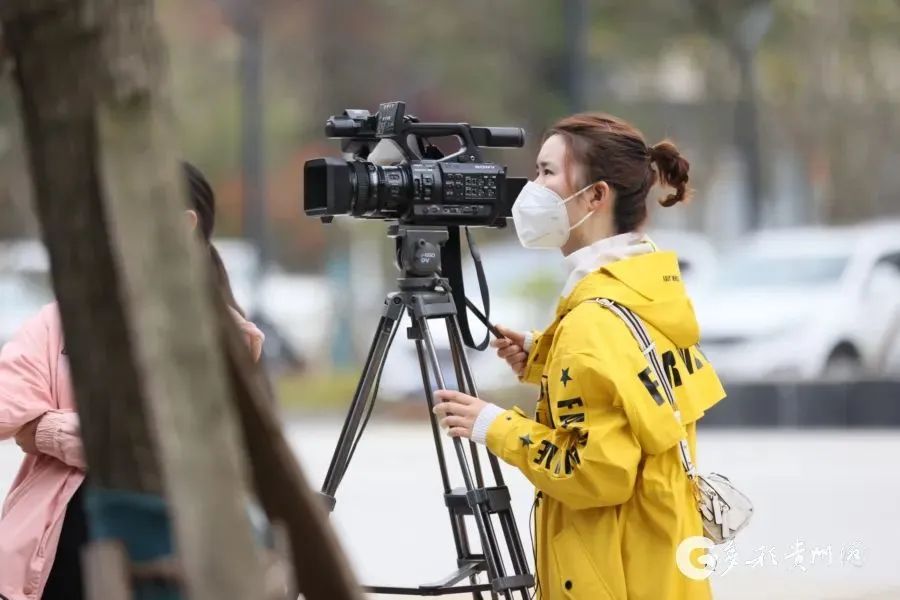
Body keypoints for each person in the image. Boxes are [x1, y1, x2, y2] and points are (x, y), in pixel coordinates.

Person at [433, 113, 726, 600]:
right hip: (658, 568)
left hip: (613, 575)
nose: (533, 189)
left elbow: (597, 473)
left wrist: (493, 425)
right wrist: (544, 356)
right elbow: (631, 388)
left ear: (595, 196)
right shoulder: (646, 293)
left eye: (548, 173)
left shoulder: (590, 324)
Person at [0, 163, 265, 600]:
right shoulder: (59, 319)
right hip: (45, 561)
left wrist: (45, 428)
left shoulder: (225, 335)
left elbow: (168, 442)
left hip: (169, 551)